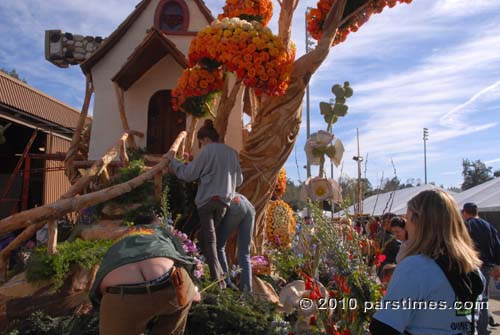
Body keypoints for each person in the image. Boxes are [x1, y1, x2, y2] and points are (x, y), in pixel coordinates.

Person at [370, 190, 484, 335]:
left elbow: (383, 328)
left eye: (408, 219)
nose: (407, 227)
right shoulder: (474, 271)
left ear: (419, 223)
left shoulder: (416, 268)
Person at [89, 214, 200, 335]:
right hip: (169, 287)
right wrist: (193, 291)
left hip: (121, 296)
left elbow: (98, 285)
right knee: (184, 291)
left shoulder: (119, 241)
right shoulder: (160, 232)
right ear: (155, 225)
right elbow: (184, 260)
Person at [168, 119, 242, 287]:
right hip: (224, 202)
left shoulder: (207, 151)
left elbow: (189, 174)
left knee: (209, 241)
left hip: (206, 201)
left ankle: (219, 282)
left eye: (200, 142)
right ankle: (215, 276)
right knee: (208, 239)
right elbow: (239, 180)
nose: (201, 145)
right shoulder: (232, 153)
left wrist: (174, 162)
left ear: (205, 139)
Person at [462, 202, 500, 335]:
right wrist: (497, 265)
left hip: (474, 265)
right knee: (483, 298)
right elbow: (497, 245)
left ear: (465, 212)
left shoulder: (468, 225)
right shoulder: (489, 225)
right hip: (489, 265)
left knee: (472, 297)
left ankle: (476, 329)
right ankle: (484, 328)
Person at [216, 193, 255, 292]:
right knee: (244, 253)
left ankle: (227, 283)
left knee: (219, 246)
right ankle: (247, 293)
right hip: (249, 206)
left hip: (236, 202)